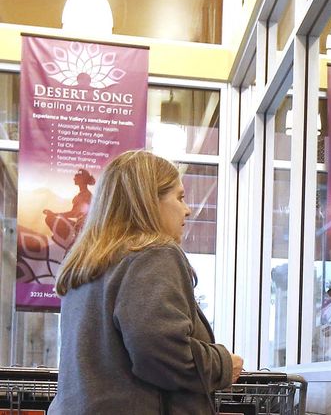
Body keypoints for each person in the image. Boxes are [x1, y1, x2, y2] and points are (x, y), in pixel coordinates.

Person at [49, 150, 243, 414]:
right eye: (180, 197)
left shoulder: (85, 265)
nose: (186, 210)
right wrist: (222, 365)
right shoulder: (153, 253)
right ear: (150, 201)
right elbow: (163, 355)